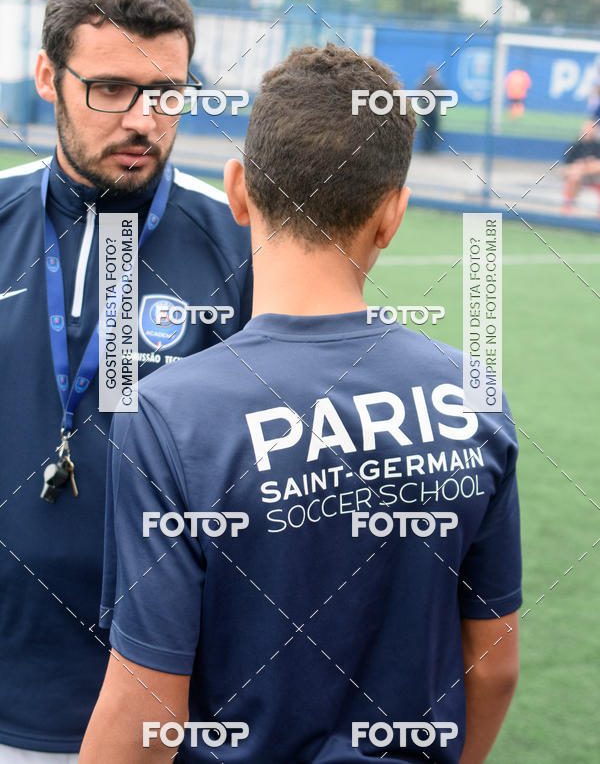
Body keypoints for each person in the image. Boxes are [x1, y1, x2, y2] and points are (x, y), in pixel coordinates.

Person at [81, 44, 521, 764]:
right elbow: (495, 664)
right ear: (393, 215)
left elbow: (145, 710)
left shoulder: (173, 414)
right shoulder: (473, 396)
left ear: (238, 190)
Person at [0, 0, 252, 760]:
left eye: (167, 93)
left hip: (163, 711)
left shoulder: (245, 251)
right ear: (48, 75)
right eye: (109, 88)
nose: (143, 118)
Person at [561, 120, 600, 214]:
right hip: (578, 175)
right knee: (574, 176)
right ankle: (568, 206)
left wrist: (583, 167)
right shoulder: (575, 146)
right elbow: (565, 168)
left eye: (592, 128)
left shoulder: (597, 146)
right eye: (587, 128)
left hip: (595, 176)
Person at [418, 63, 445, 151]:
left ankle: (432, 147)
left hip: (434, 110)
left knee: (434, 129)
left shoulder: (436, 83)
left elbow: (443, 92)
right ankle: (426, 147)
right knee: (426, 129)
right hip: (426, 110)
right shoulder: (423, 82)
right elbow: (420, 92)